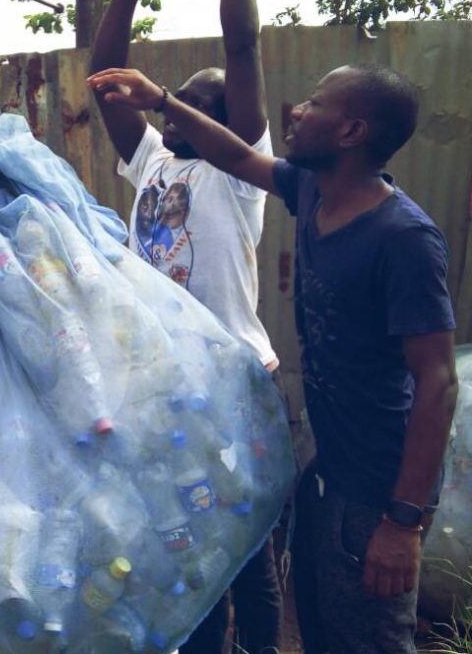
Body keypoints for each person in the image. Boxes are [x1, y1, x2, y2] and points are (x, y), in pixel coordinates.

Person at [86, 62, 459, 653]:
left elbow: (437, 383)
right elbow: (233, 156)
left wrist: (402, 521)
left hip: (376, 491)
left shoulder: (402, 238)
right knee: (320, 629)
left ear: (351, 131)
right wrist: (158, 100)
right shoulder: (311, 190)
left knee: (371, 640)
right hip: (326, 470)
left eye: (315, 104)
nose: (296, 112)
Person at [88, 0, 283, 652]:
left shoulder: (242, 178)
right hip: (167, 391)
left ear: (231, 120)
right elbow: (106, 75)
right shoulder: (154, 169)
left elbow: (242, 52)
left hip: (233, 386)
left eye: (203, 103)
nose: (180, 112)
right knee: (184, 553)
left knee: (249, 563)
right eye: (180, 103)